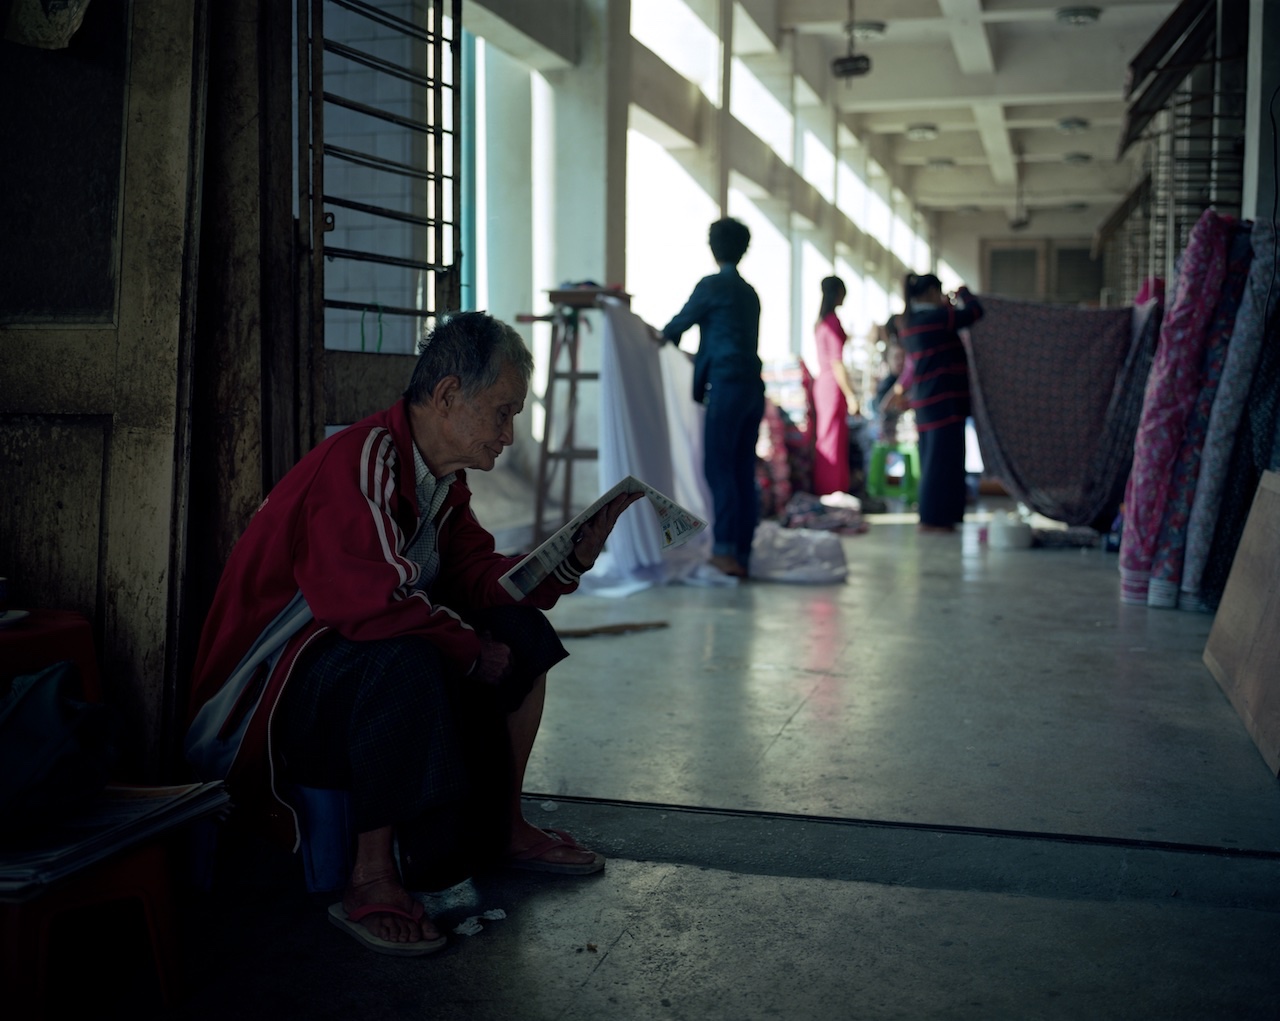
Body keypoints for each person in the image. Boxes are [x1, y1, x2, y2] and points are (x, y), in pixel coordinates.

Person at [184, 311, 640, 956]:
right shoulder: (364, 457)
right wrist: (469, 650)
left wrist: (567, 558)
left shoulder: (441, 482)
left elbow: (476, 576)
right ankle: (370, 878)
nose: (509, 435)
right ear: (449, 395)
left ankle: (503, 827)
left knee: (522, 631)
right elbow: (368, 604)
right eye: (502, 412)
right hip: (264, 698)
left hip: (339, 671)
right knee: (408, 658)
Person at [658, 217, 764, 578]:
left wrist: (654, 336)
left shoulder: (712, 286)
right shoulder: (750, 293)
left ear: (712, 247)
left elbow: (676, 327)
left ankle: (724, 553)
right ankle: (742, 553)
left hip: (726, 387)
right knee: (741, 470)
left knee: (719, 469)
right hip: (752, 387)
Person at [896, 272, 983, 532]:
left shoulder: (913, 321)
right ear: (931, 292)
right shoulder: (936, 319)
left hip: (928, 401)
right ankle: (933, 519)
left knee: (938, 461)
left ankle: (941, 517)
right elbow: (975, 313)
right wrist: (965, 293)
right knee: (941, 464)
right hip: (942, 401)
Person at [811, 275, 860, 495]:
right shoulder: (831, 322)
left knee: (832, 436)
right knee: (831, 439)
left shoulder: (822, 321)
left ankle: (833, 487)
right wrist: (851, 395)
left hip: (825, 384)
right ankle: (831, 488)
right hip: (832, 386)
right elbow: (837, 363)